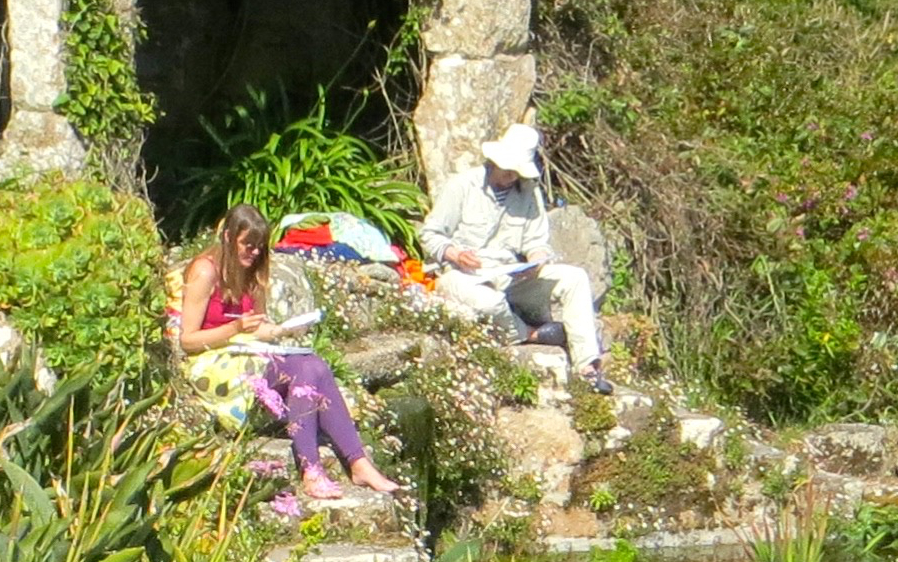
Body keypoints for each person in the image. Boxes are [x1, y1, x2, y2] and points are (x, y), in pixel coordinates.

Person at [179, 204, 401, 499]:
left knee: (314, 364)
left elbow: (255, 328)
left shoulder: (253, 271)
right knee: (306, 369)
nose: (254, 253)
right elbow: (188, 340)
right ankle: (314, 469)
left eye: (259, 247)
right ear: (229, 237)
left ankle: (357, 462)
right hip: (212, 360)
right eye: (247, 245)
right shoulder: (205, 271)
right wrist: (235, 329)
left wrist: (278, 331)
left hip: (245, 352)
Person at [418, 122, 613, 395]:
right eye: (507, 168)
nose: (511, 175)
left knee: (575, 278)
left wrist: (536, 260)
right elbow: (430, 234)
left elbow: (536, 242)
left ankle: (587, 366)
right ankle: (531, 333)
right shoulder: (462, 186)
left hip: (510, 274)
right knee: (489, 302)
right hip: (462, 275)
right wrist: (457, 254)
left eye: (517, 170)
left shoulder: (529, 193)